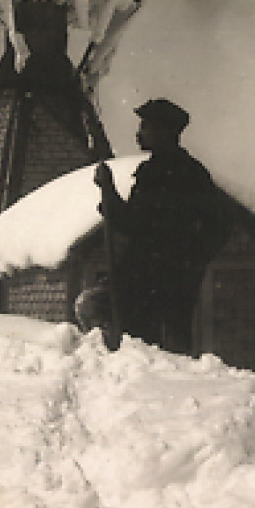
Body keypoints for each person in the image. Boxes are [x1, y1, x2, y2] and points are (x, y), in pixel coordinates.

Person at [80, 98, 231, 354]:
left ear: (164, 132)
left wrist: (108, 189)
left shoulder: (163, 175)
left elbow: (132, 223)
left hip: (152, 277)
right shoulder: (188, 172)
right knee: (162, 345)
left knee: (135, 338)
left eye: (145, 127)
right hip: (162, 275)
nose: (139, 133)